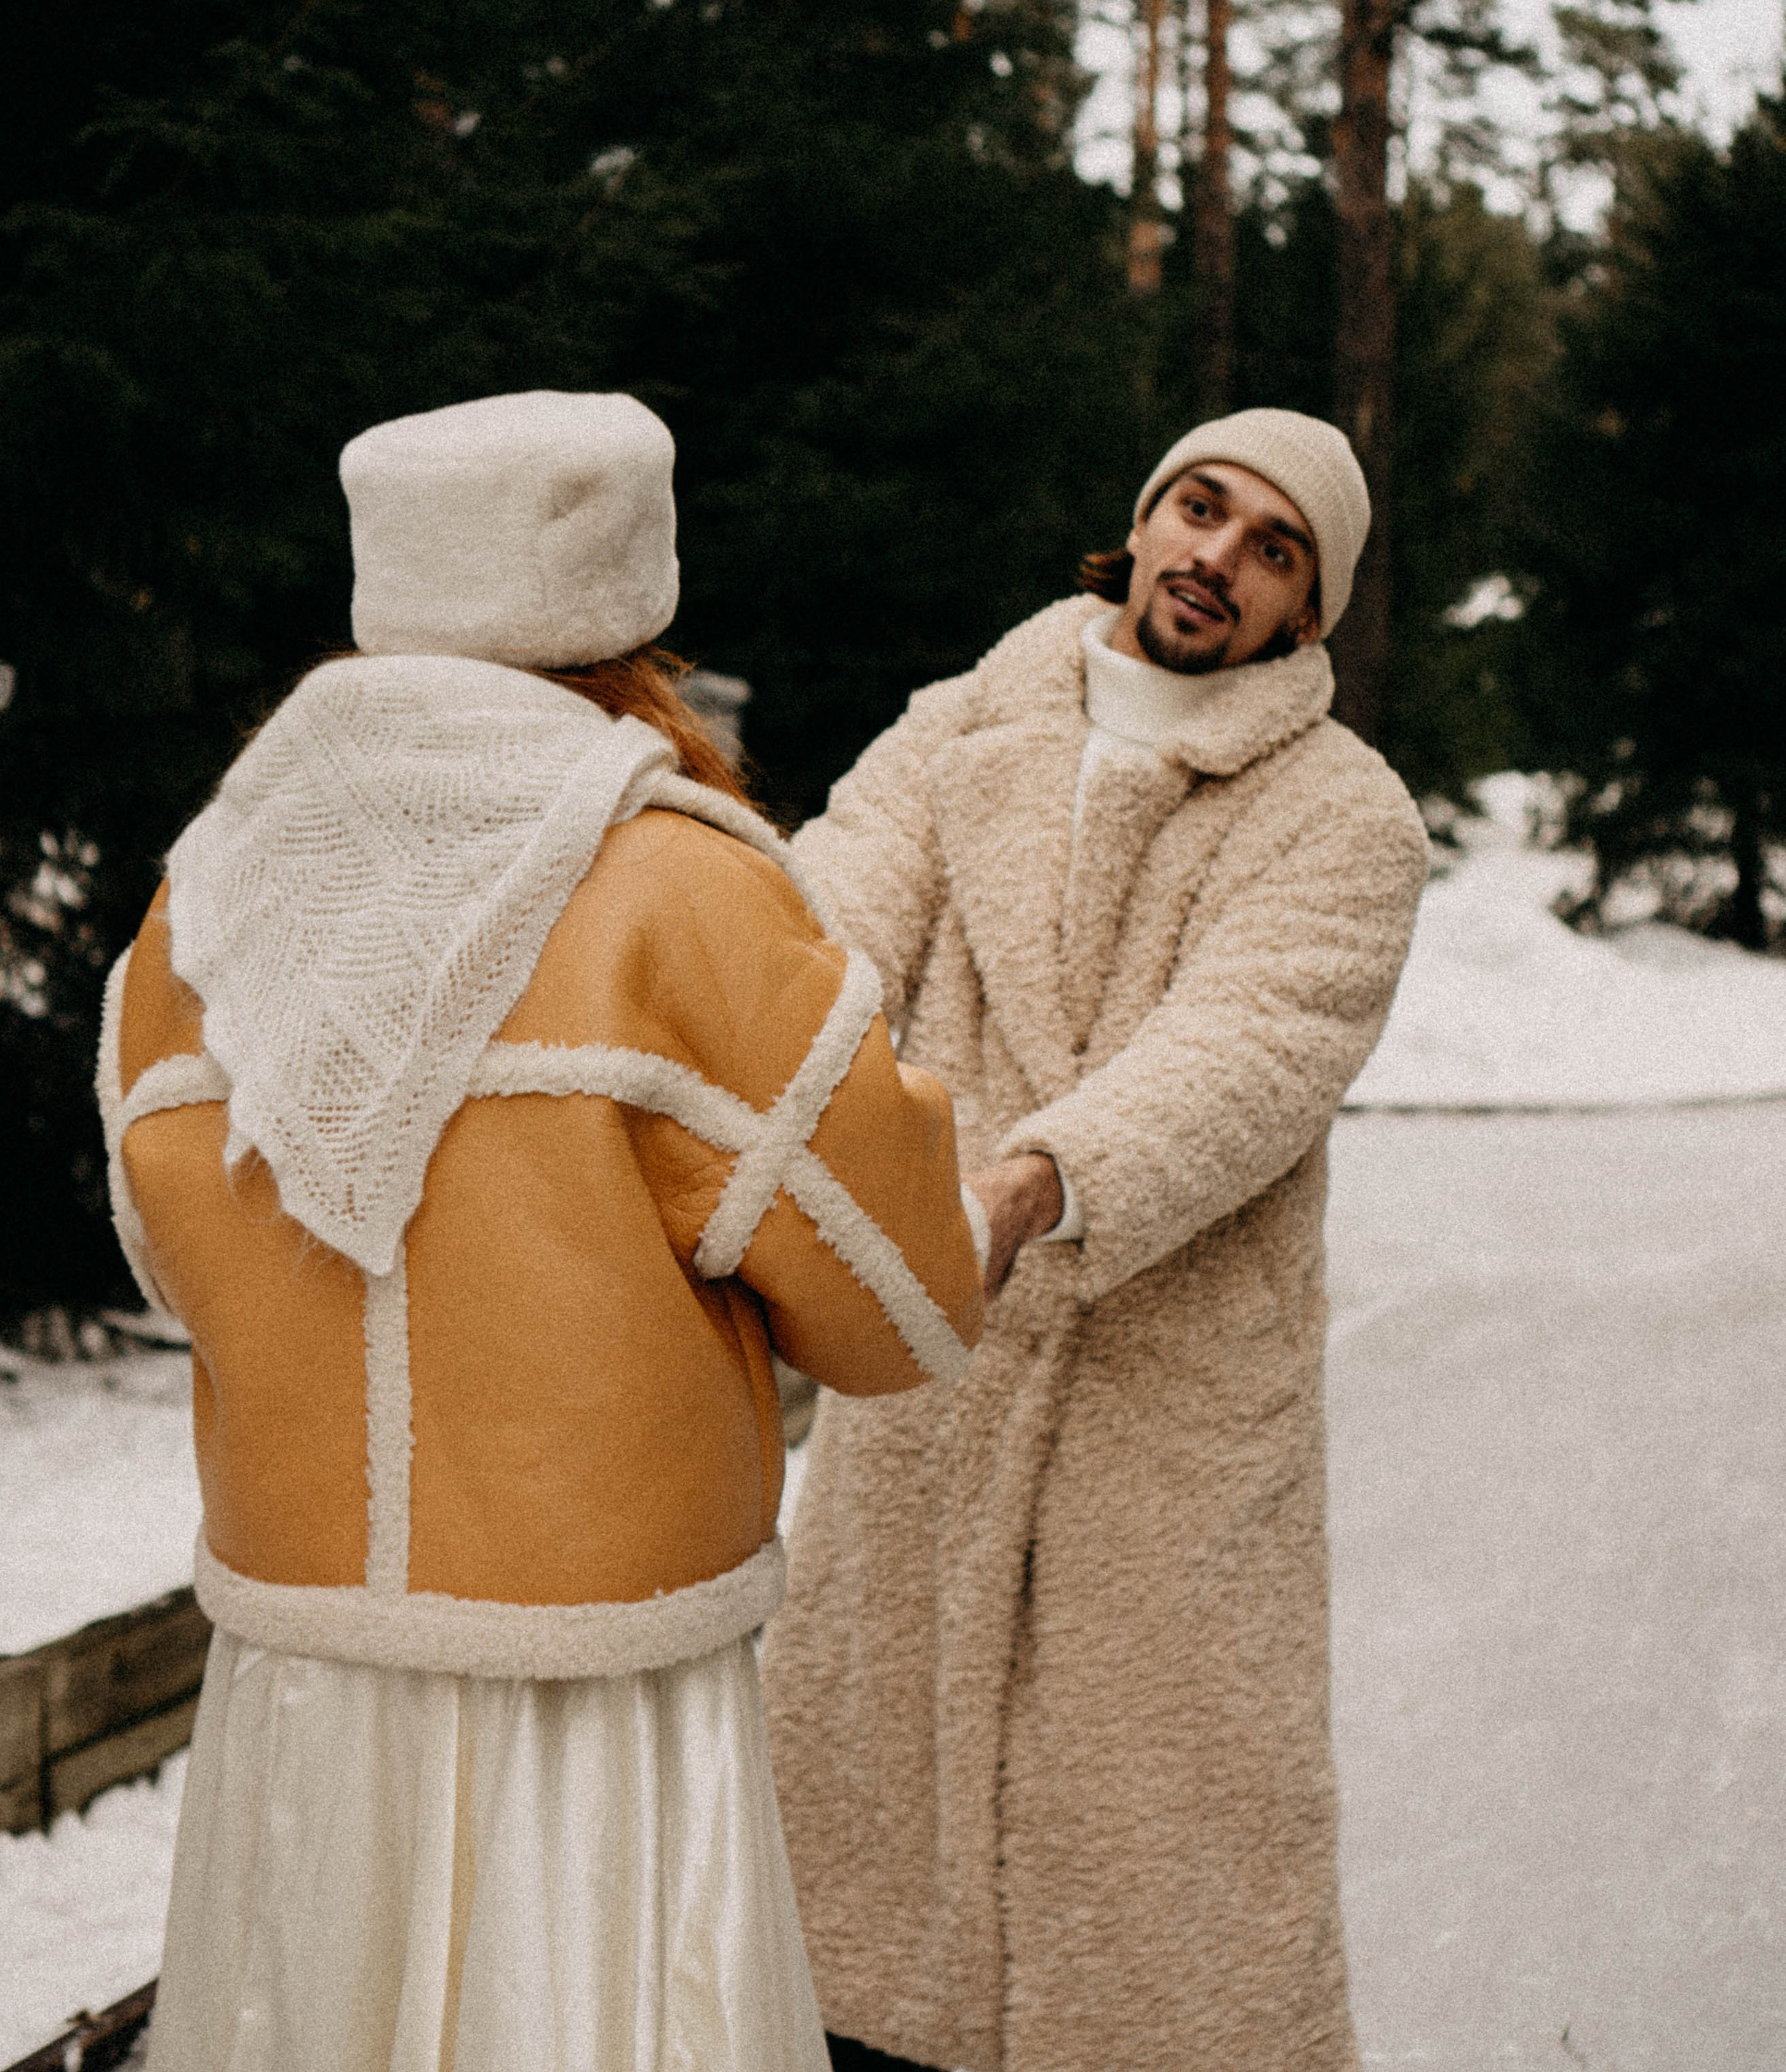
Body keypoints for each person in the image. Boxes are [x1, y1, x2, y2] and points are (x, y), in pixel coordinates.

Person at [96, 389, 984, 2072]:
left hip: (302, 1682)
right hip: (599, 1707)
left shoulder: (201, 900)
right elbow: (900, 1312)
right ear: (629, 611)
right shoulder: (686, 888)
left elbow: (174, 1257)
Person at [761, 407, 1430, 2072]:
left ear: (1305, 610)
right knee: (863, 1878)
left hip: (1166, 1424)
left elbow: (1248, 1054)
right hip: (928, 1391)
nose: (1218, 556)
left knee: (1156, 1900)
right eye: (1199, 510)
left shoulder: (1344, 818)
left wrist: (1027, 1183)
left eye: (1274, 548)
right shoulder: (962, 725)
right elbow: (823, 932)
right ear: (1138, 524)